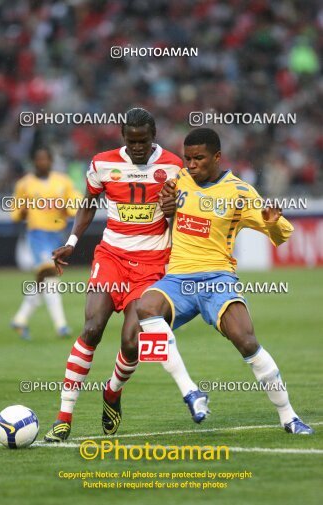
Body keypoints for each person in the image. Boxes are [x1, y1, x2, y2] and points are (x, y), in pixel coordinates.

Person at [44, 108, 209, 443]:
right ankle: (63, 418)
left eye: (143, 142)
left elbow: (187, 212)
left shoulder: (174, 166)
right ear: (123, 137)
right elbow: (89, 202)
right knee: (91, 329)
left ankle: (112, 391)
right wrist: (72, 242)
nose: (137, 148)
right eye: (131, 141)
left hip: (152, 264)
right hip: (112, 258)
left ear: (154, 136)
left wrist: (173, 213)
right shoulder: (102, 163)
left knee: (134, 344)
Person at [137, 127, 314, 435]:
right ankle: (191, 392)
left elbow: (283, 232)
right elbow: (164, 216)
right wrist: (165, 210)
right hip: (178, 277)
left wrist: (272, 223)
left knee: (246, 341)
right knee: (143, 313)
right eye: (187, 158)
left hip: (218, 278)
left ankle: (289, 416)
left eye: (199, 159)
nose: (191, 165)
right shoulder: (178, 181)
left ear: (217, 157)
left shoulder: (239, 192)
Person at [10, 146, 81, 340]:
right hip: (37, 236)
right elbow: (15, 213)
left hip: (57, 237)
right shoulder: (25, 184)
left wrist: (71, 208)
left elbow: (76, 205)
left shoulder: (63, 182)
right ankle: (61, 326)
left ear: (51, 161)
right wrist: (22, 211)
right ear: (34, 162)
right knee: (50, 277)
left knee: (43, 281)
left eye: (45, 159)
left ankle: (20, 319)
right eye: (39, 159)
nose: (42, 163)